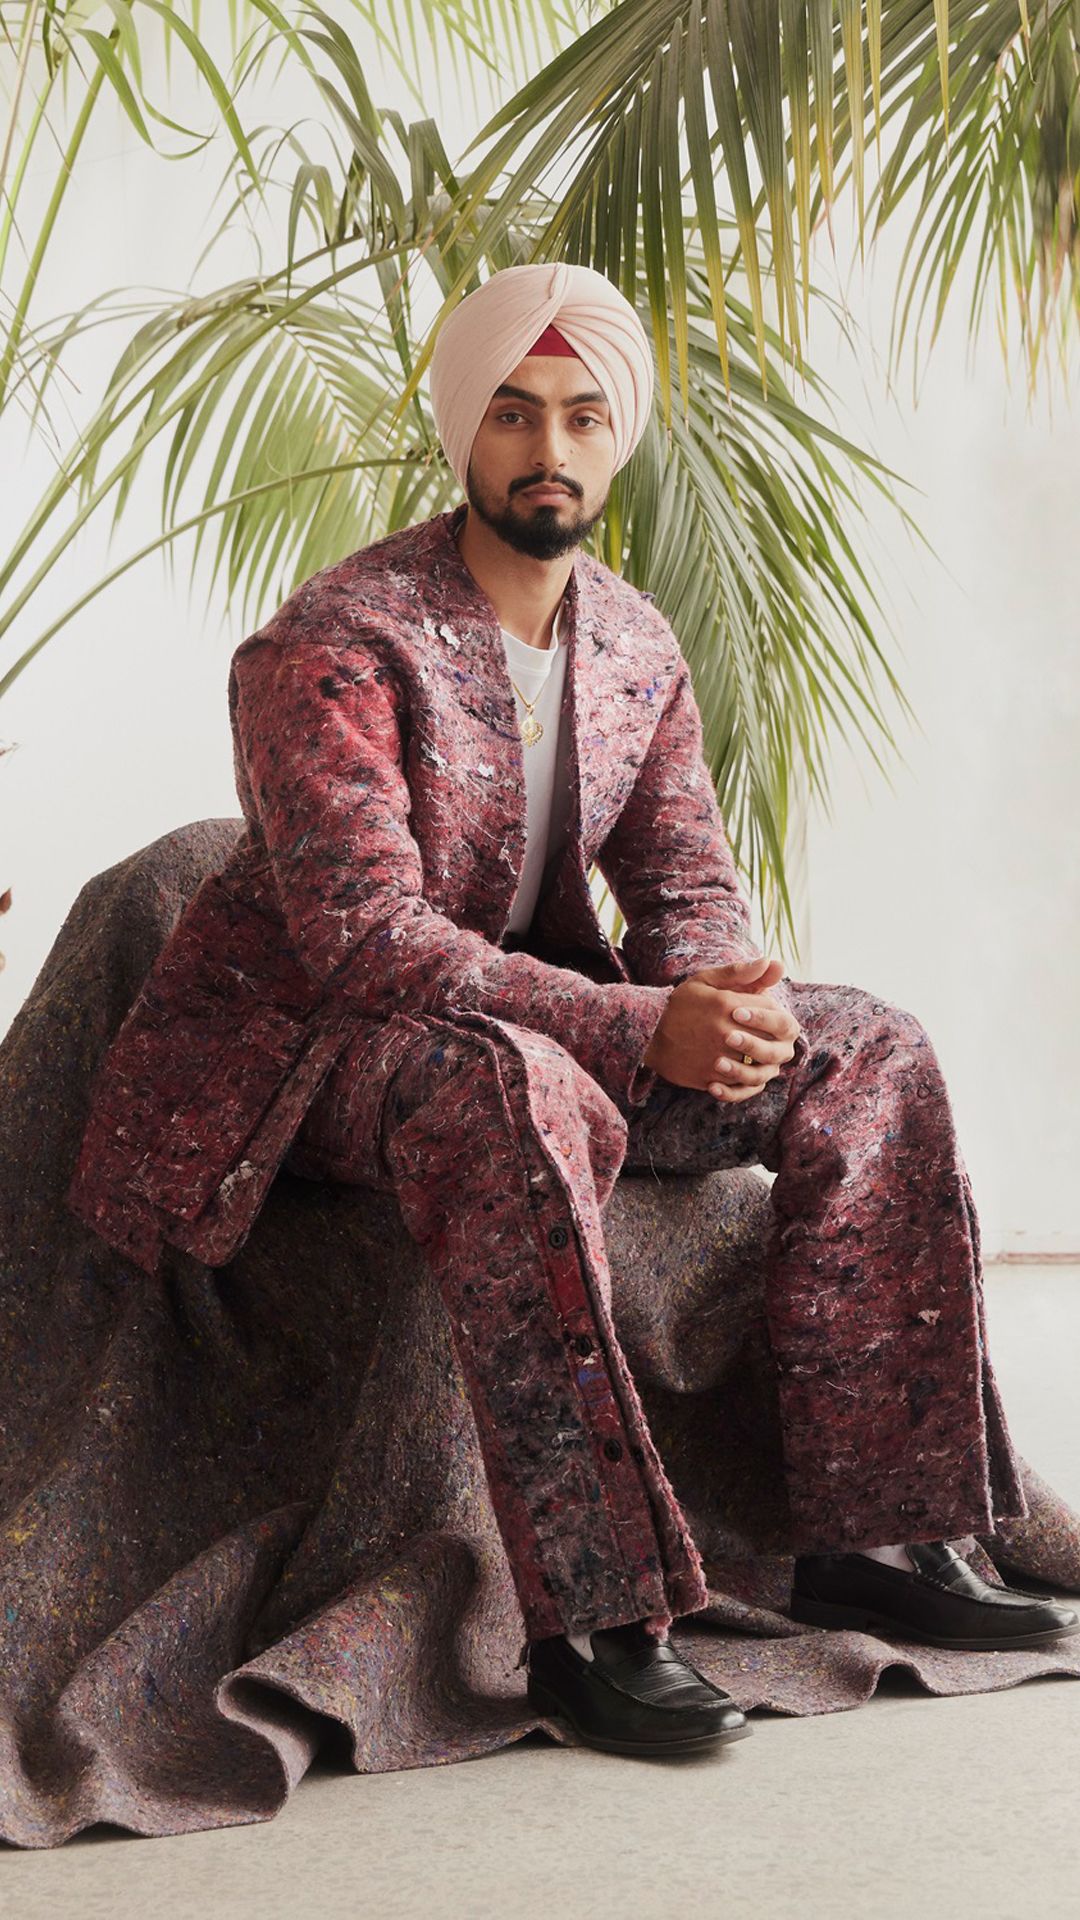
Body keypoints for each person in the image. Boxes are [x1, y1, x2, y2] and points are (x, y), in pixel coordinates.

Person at [65, 262, 1079, 1760]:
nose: (550, 447)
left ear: (620, 440)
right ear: (461, 432)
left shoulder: (633, 643)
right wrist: (631, 1029)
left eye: (584, 416)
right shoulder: (333, 644)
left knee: (871, 1047)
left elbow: (683, 886)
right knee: (509, 1090)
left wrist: (725, 997)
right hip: (314, 1054)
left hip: (531, 1021)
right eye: (515, 413)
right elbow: (367, 943)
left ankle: (880, 1535)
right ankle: (593, 1624)